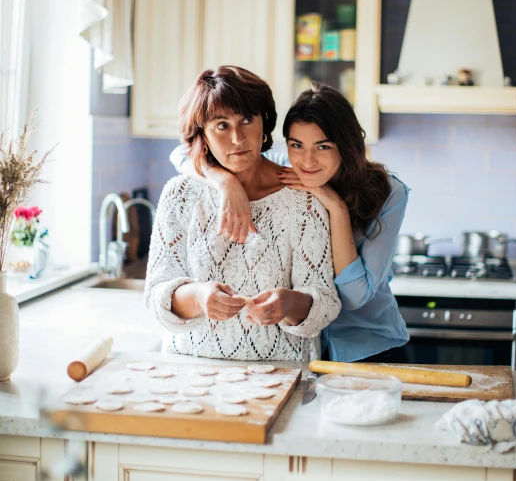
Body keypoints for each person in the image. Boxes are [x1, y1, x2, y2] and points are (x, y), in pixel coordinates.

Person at [172, 82, 410, 363]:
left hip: (367, 345)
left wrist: (334, 206)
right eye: (297, 144)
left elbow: (355, 297)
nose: (307, 160)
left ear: (347, 146)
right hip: (306, 349)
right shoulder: (285, 168)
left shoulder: (388, 191)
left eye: (323, 146)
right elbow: (182, 154)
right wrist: (224, 182)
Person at [145, 67, 341, 361]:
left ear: (264, 124)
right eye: (221, 125)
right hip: (189, 372)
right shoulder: (179, 195)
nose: (237, 138)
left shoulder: (304, 198)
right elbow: (155, 297)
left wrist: (289, 304)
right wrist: (198, 296)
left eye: (247, 120)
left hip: (283, 372)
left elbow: (325, 302)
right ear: (203, 135)